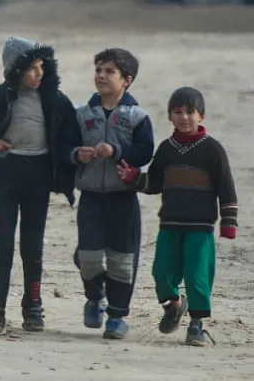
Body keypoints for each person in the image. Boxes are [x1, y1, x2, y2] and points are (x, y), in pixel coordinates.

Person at [0, 36, 77, 337]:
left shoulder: (56, 100)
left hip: (39, 176)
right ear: (15, 69)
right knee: (3, 246)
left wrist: (74, 159)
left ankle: (33, 307)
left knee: (32, 247)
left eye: (41, 67)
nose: (39, 74)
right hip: (6, 174)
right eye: (31, 68)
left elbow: (72, 134)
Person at [116, 87, 238, 346]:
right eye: (178, 112)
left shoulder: (212, 150)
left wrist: (229, 220)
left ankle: (196, 324)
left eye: (190, 112)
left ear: (201, 116)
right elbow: (155, 183)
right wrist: (134, 178)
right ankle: (175, 304)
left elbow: (226, 186)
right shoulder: (166, 149)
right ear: (170, 116)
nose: (184, 117)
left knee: (197, 275)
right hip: (170, 224)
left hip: (200, 226)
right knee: (161, 272)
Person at [63, 48, 154, 340]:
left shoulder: (137, 116)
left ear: (127, 80)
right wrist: (78, 154)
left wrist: (117, 151)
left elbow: (144, 152)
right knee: (88, 257)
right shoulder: (81, 115)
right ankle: (94, 296)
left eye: (109, 72)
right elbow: (65, 148)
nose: (101, 76)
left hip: (123, 198)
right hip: (90, 196)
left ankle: (116, 316)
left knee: (122, 261)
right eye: (98, 70)